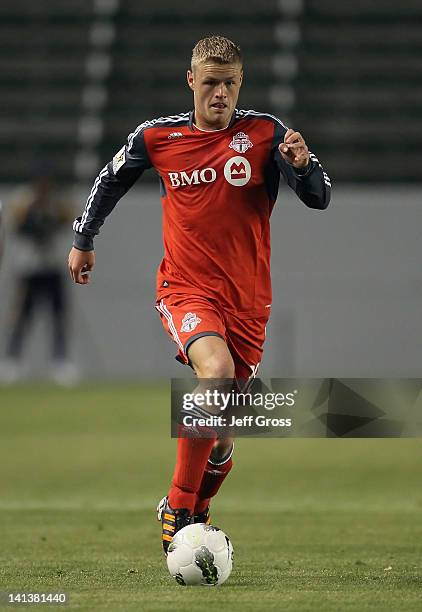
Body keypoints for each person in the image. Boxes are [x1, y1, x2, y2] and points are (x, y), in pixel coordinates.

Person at [68, 35, 331, 554]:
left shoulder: (264, 134)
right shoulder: (158, 137)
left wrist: (302, 167)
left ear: (241, 84)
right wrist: (84, 238)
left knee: (225, 437)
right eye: (210, 83)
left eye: (229, 84)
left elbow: (319, 198)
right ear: (191, 81)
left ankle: (199, 511)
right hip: (185, 288)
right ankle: (179, 505)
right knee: (215, 372)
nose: (220, 94)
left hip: (248, 303)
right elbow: (110, 178)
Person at [1, 170, 77, 384]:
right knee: (22, 316)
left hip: (51, 264)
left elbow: (70, 218)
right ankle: (12, 360)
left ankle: (60, 361)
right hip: (29, 266)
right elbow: (15, 223)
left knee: (58, 316)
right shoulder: (24, 199)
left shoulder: (56, 202)